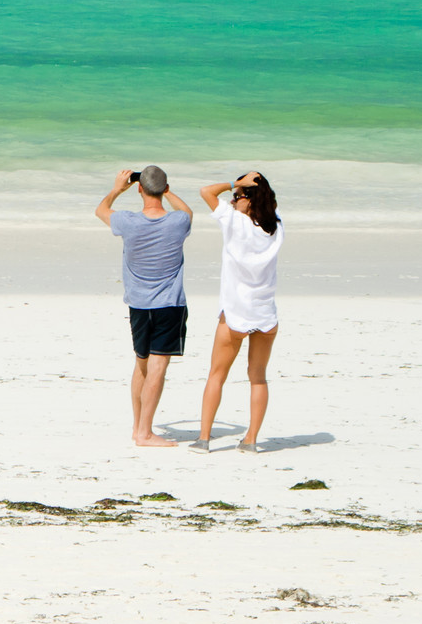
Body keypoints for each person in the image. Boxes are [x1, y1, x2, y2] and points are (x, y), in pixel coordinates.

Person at [91, 166, 195, 447]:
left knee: (141, 366)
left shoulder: (127, 221)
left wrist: (116, 189)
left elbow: (101, 210)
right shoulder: (178, 222)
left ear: (139, 189)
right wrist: (167, 191)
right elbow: (188, 211)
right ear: (164, 189)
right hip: (168, 304)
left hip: (138, 304)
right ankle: (145, 433)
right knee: (158, 368)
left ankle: (139, 427)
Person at [194, 173, 282, 452]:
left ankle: (204, 439)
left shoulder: (234, 222)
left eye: (237, 197)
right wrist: (251, 189)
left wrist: (236, 183)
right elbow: (269, 209)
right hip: (265, 313)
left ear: (248, 200)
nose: (232, 201)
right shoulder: (276, 227)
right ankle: (251, 440)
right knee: (258, 377)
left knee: (217, 375)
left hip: (235, 312)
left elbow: (206, 191)